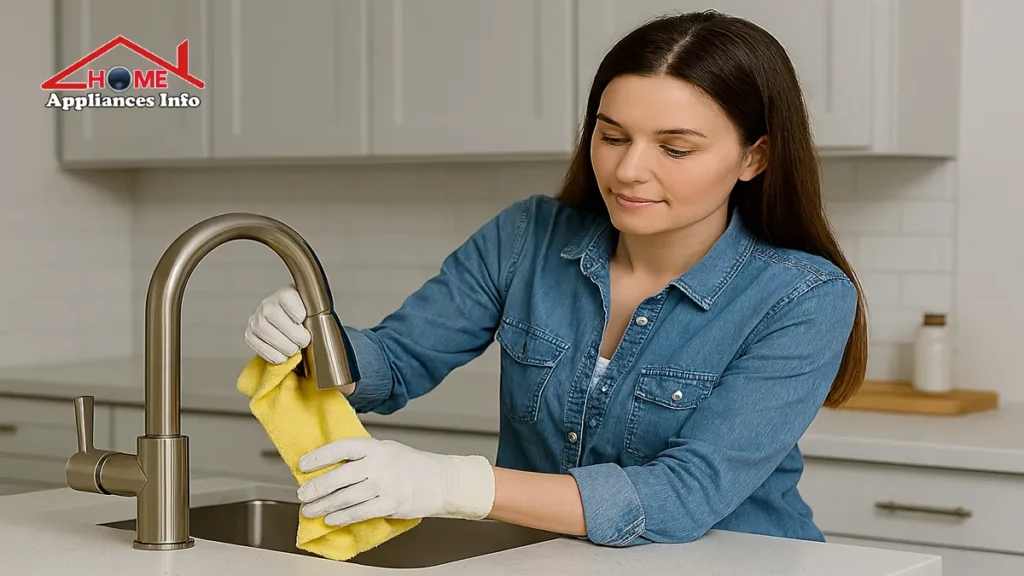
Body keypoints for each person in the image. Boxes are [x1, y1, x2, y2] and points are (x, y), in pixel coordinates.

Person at [243, 10, 867, 547]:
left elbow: (683, 495)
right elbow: (397, 361)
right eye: (611, 136)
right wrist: (315, 344)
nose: (629, 170)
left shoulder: (803, 297)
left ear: (754, 157)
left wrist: (455, 484)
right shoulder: (528, 238)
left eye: (675, 149)